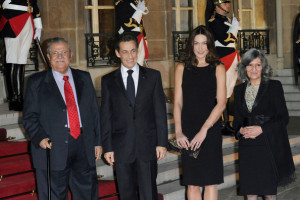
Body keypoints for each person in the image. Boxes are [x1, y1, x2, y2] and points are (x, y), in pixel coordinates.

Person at [22, 37, 102, 200]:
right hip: (52, 147)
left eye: (64, 52)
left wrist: (98, 141)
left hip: (83, 145)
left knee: (87, 193)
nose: (60, 56)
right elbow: (29, 116)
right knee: (55, 196)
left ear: (70, 54)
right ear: (48, 56)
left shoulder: (84, 78)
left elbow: (95, 113)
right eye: (55, 53)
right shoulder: (36, 82)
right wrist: (39, 136)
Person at [100, 33, 168, 200]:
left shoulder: (153, 76)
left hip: (147, 145)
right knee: (126, 193)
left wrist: (162, 142)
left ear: (138, 51)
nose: (129, 56)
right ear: (117, 53)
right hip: (122, 147)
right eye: (125, 52)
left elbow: (160, 112)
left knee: (149, 193)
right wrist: (107, 147)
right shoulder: (108, 80)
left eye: (132, 51)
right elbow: (106, 116)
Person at [233, 48, 295, 200]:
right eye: (250, 65)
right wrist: (240, 130)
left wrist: (261, 129)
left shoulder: (274, 86)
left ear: (263, 67)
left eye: (258, 65)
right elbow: (236, 120)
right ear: (244, 67)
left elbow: (283, 118)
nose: (253, 69)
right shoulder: (238, 90)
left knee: (269, 193)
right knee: (250, 193)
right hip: (247, 147)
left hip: (268, 144)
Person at [173, 25, 226, 200]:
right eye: (197, 43)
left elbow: (221, 103)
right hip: (188, 129)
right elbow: (178, 102)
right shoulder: (182, 67)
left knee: (210, 182)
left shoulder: (218, 67)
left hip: (210, 129)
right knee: (192, 182)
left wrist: (205, 130)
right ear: (191, 45)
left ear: (210, 45)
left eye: (204, 43)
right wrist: (179, 131)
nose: (201, 48)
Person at [0, 0, 42, 111]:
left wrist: (38, 26)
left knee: (22, 59)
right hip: (12, 19)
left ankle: (20, 97)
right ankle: (13, 99)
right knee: (12, 58)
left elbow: (34, 5)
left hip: (28, 19)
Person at [207, 0, 240, 132]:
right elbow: (226, 40)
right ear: (217, 5)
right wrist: (234, 28)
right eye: (225, 3)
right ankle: (219, 122)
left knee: (227, 92)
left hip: (232, 58)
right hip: (223, 59)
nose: (228, 5)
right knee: (220, 93)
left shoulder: (226, 20)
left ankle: (225, 123)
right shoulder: (213, 22)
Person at [115, 0, 149, 66]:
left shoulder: (134, 2)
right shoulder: (122, 3)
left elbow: (140, 24)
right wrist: (139, 11)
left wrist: (144, 39)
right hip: (129, 39)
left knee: (139, 65)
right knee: (131, 65)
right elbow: (125, 24)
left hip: (139, 36)